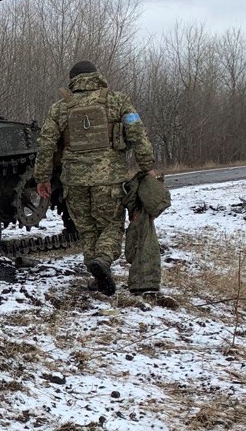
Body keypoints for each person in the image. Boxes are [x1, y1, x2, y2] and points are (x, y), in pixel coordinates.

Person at [33, 60, 156, 296]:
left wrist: (43, 177)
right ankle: (103, 260)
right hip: (109, 180)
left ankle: (97, 276)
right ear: (97, 76)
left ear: (72, 80)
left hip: (74, 181)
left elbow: (46, 144)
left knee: (88, 229)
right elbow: (137, 134)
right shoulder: (117, 100)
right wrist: (147, 166)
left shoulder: (60, 108)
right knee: (110, 225)